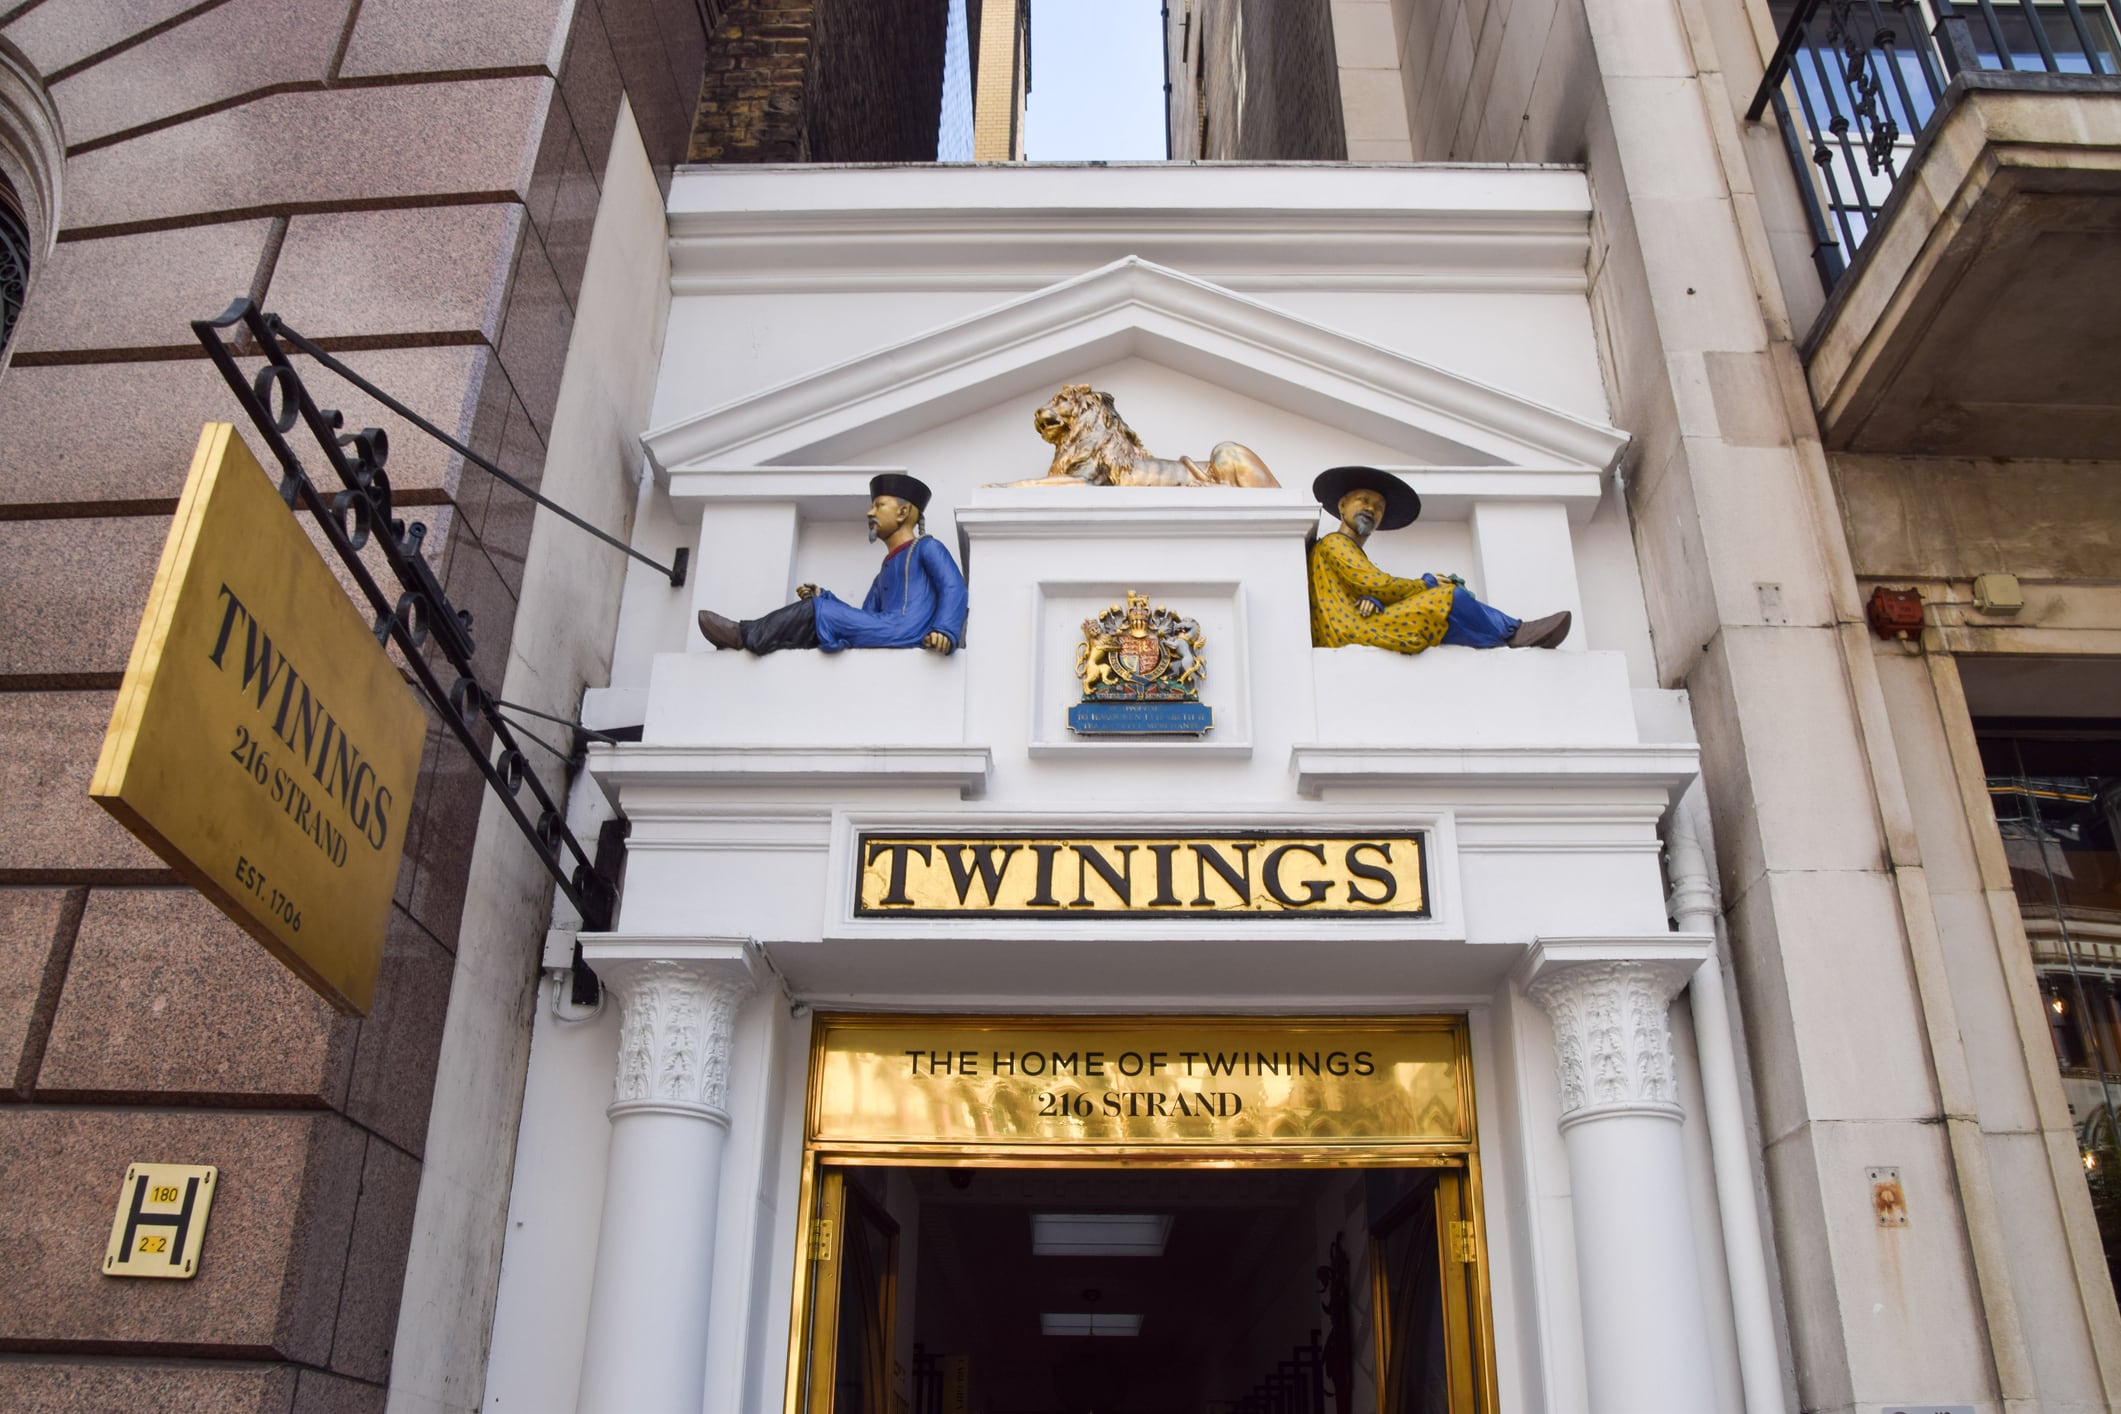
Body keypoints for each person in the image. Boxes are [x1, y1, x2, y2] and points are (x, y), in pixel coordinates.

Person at [1308, 465, 1571, 653]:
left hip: (1352, 625)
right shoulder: (1335, 543)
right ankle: (1515, 633)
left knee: (1448, 611)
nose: (1370, 509)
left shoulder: (1348, 551)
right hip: (1349, 632)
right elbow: (1377, 584)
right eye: (1363, 501)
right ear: (1342, 505)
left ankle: (1505, 636)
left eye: (1378, 507)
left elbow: (1363, 588)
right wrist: (1427, 583)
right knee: (1449, 598)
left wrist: (1374, 600)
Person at [697, 473, 967, 655]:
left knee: (819, 611)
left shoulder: (928, 548)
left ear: (903, 512)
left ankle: (745, 636)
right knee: (820, 610)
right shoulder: (884, 571)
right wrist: (826, 598)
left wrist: (945, 630)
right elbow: (864, 617)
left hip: (906, 629)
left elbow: (954, 587)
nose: (870, 513)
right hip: (886, 627)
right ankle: (768, 638)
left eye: (879, 505)